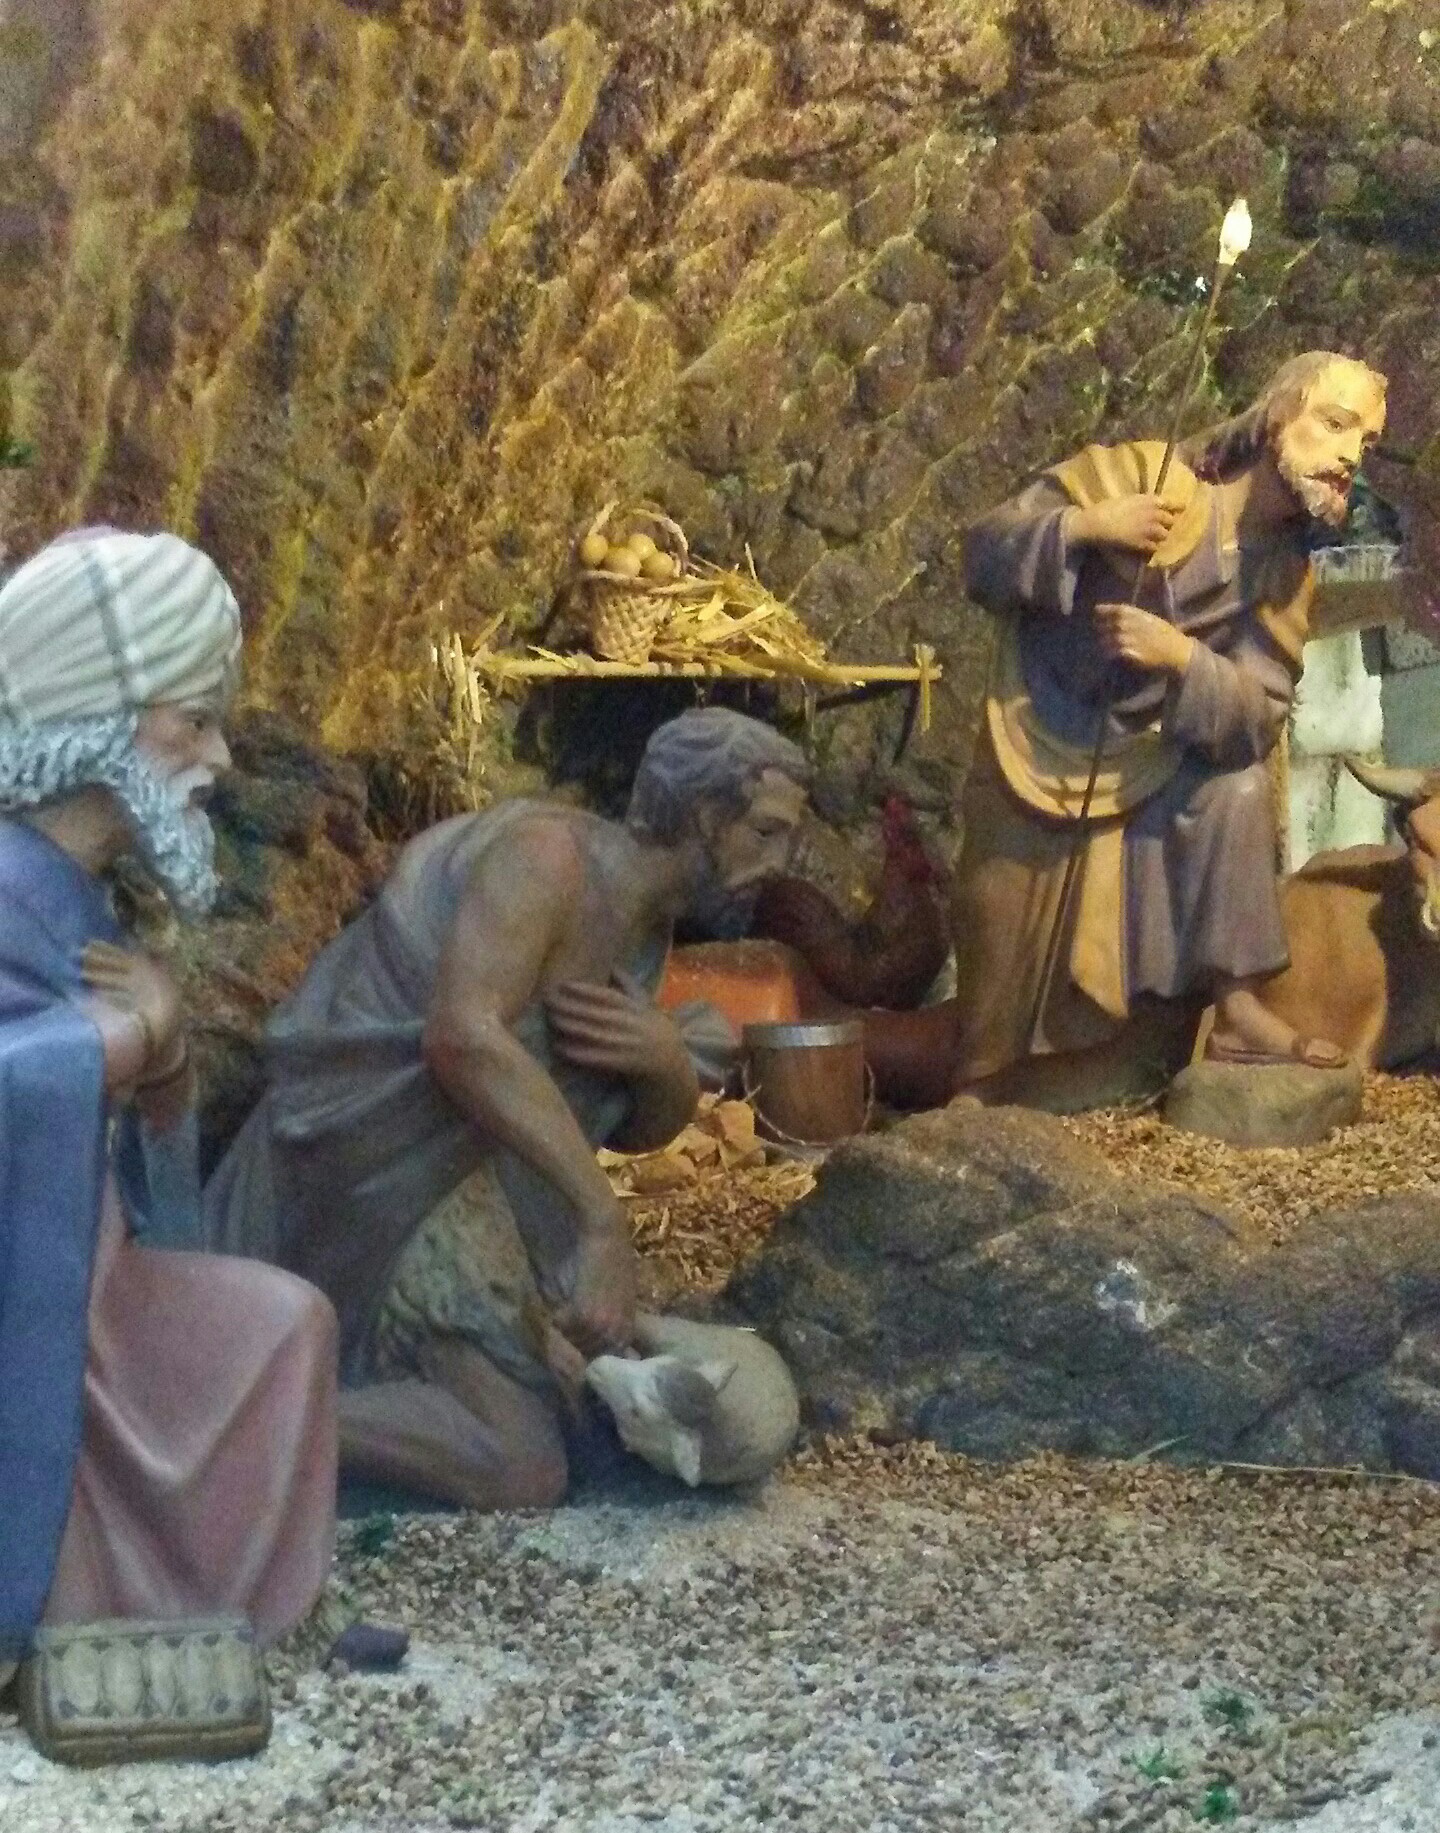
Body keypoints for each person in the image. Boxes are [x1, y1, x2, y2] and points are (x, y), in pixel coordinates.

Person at [204, 707, 811, 1510]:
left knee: (585, 1416)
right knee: (522, 1461)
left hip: (475, 1183)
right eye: (765, 831)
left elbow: (612, 1120)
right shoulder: (547, 858)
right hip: (377, 1165)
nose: (780, 862)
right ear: (704, 814)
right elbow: (462, 1038)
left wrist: (664, 1063)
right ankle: (231, 1418)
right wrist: (600, 1221)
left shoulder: (643, 927)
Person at [0, 530, 338, 1686]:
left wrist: (169, 1062)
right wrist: (124, 1040)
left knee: (285, 1324)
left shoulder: (80, 896)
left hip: (86, 1277)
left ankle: (188, 1607)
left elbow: (134, 1125)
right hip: (28, 1311)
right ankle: (70, 1608)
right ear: (100, 717)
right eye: (192, 722)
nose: (219, 757)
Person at [951, 349, 1387, 1084]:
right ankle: (988, 1091)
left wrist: (1181, 658)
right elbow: (983, 553)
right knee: (1000, 988)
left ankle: (1236, 1011)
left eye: (1366, 441)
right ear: (1276, 418)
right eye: (1335, 423)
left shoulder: (1284, 574)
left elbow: (1257, 718)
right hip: (1039, 740)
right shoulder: (1144, 477)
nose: (1350, 455)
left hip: (1144, 762)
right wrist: (1086, 525)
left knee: (1237, 790)